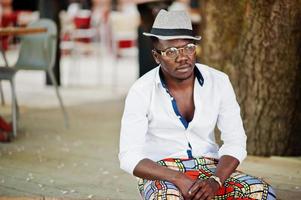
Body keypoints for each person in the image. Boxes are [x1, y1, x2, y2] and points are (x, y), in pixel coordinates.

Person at [119, 9, 276, 200]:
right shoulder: (141, 90)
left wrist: (216, 180)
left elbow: (235, 141)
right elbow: (128, 156)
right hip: (162, 172)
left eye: (188, 47)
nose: (183, 57)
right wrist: (178, 178)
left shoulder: (219, 81)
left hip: (211, 169)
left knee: (263, 192)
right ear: (156, 56)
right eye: (171, 51)